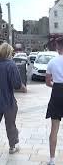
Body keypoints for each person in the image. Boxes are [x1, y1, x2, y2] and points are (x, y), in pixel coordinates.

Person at [45, 37, 63, 165]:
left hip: (57, 92)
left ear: (58, 47)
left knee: (54, 128)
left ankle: (52, 160)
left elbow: (47, 82)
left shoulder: (52, 62)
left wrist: (56, 85)